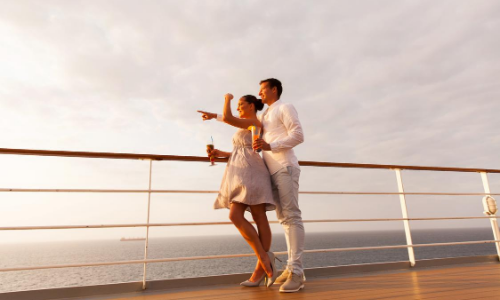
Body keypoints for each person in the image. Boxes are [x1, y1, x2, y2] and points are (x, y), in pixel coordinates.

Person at [197, 94, 279, 288]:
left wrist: (226, 98)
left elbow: (228, 118)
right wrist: (221, 154)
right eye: (237, 104)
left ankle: (261, 267)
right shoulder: (247, 124)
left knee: (259, 216)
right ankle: (265, 261)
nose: (238, 107)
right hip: (241, 172)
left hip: (252, 172)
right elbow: (242, 151)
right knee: (236, 215)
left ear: (252, 106)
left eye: (241, 104)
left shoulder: (253, 121)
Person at [253, 78, 305, 293]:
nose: (260, 94)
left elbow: (298, 135)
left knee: (291, 217)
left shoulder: (285, 107)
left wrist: (270, 145)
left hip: (285, 167)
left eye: (263, 90)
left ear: (274, 89)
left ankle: (297, 272)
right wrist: (217, 116)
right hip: (272, 170)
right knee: (284, 220)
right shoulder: (264, 115)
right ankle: (292, 268)